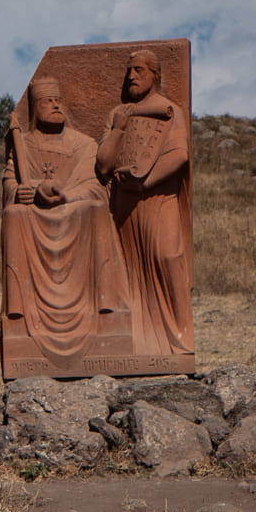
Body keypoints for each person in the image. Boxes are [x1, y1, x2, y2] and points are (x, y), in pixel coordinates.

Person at [2, 77, 130, 362]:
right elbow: (10, 185)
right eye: (48, 101)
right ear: (35, 109)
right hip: (35, 216)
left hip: (75, 212)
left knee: (97, 210)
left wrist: (65, 196)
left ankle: (105, 309)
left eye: (58, 100)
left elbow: (96, 186)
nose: (56, 104)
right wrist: (30, 190)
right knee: (12, 215)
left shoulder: (83, 144)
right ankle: (19, 317)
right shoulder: (22, 145)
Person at [96, 49, 194, 356]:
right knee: (131, 273)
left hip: (158, 200)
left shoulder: (169, 111)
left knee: (168, 258)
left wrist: (145, 181)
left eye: (138, 70)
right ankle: (140, 344)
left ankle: (180, 337)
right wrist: (119, 129)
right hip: (125, 207)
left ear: (155, 75)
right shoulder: (117, 115)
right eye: (128, 71)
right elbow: (102, 166)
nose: (131, 76)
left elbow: (179, 155)